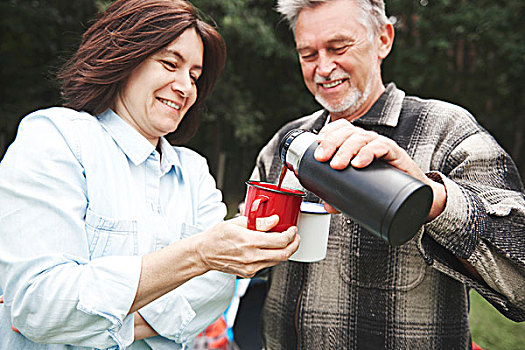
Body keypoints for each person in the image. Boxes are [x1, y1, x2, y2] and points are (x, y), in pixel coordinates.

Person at [0, 0, 299, 349]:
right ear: (125, 58)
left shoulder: (194, 172)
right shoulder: (56, 139)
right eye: (170, 64)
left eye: (194, 76)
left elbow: (216, 290)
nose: (186, 87)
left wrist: (96, 321)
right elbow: (41, 306)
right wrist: (198, 255)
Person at [249, 0, 525, 349]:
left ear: (383, 39)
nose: (323, 67)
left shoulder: (448, 131)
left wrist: (431, 198)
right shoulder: (282, 145)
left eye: (338, 47)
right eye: (308, 54)